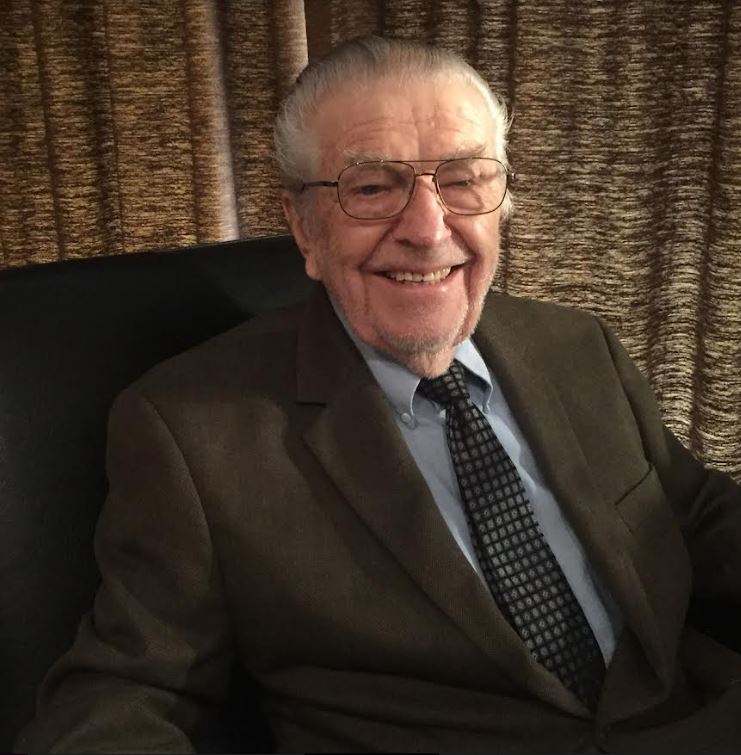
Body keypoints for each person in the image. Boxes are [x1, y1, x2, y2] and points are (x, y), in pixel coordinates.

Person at [17, 35, 741, 753]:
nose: (427, 229)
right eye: (370, 188)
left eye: (464, 178)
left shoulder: (578, 345)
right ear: (304, 227)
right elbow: (120, 696)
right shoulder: (190, 434)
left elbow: (692, 515)